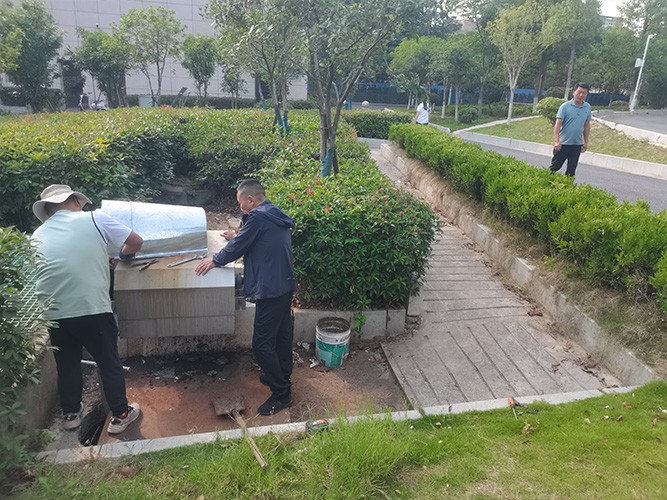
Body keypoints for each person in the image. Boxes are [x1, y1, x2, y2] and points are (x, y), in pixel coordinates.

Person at [31, 184, 143, 434]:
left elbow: (61, 264)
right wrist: (123, 256)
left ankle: (71, 414)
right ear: (75, 201)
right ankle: (121, 415)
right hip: (91, 308)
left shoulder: (37, 234)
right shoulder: (95, 218)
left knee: (67, 364)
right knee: (108, 362)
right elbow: (136, 242)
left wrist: (100, 258)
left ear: (47, 211)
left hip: (55, 312)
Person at [195, 179, 296, 416]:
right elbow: (255, 239)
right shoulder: (273, 212)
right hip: (284, 283)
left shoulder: (258, 217)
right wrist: (237, 236)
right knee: (281, 336)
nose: (240, 208)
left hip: (270, 289)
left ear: (250, 200)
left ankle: (282, 394)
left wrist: (215, 260)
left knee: (261, 344)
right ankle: (281, 375)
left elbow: (239, 246)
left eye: (241, 203)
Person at [549, 82, 591, 177]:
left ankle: (567, 185)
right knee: (555, 167)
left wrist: (585, 142)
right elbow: (558, 124)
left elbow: (586, 125)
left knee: (571, 171)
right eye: (579, 92)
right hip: (563, 144)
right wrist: (556, 141)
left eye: (584, 93)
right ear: (574, 92)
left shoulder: (587, 107)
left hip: (576, 145)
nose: (581, 95)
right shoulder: (565, 106)